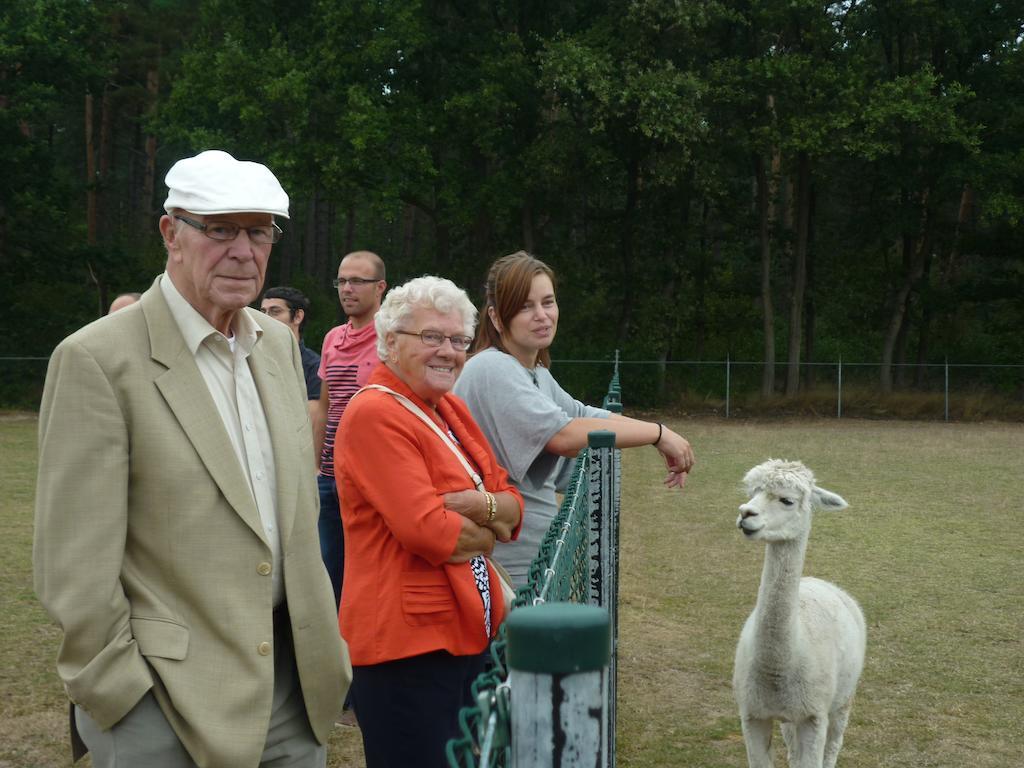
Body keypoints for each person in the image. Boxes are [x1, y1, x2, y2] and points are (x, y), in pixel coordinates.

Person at [33, 149, 350, 768]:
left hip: (294, 690)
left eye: (258, 232)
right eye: (219, 229)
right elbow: (72, 565)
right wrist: (122, 694)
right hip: (165, 706)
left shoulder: (278, 346)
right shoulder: (98, 359)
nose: (242, 250)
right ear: (170, 233)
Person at [334, 275, 523, 768]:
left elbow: (511, 501)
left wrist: (475, 506)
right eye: (432, 337)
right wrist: (489, 519)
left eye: (458, 340)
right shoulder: (376, 413)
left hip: (461, 631)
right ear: (390, 342)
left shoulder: (447, 406)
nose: (449, 352)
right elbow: (429, 531)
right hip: (406, 646)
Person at [454, 250, 696, 587]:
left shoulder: (533, 371)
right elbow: (564, 435)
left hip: (534, 563)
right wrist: (656, 434)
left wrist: (660, 432)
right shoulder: (493, 368)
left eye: (548, 302)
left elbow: (581, 414)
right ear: (496, 317)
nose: (542, 315)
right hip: (507, 571)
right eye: (526, 306)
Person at [311, 250, 386, 608]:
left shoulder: (392, 339)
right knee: (331, 570)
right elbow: (325, 407)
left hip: (373, 476)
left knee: (370, 570)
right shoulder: (331, 339)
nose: (347, 289)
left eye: (357, 281)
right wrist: (315, 466)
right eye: (342, 281)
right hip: (329, 476)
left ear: (380, 288)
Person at [260, 285, 322, 408]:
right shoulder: (251, 358)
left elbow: (312, 421)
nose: (265, 318)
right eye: (263, 312)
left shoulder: (314, 367)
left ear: (298, 316)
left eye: (275, 311)